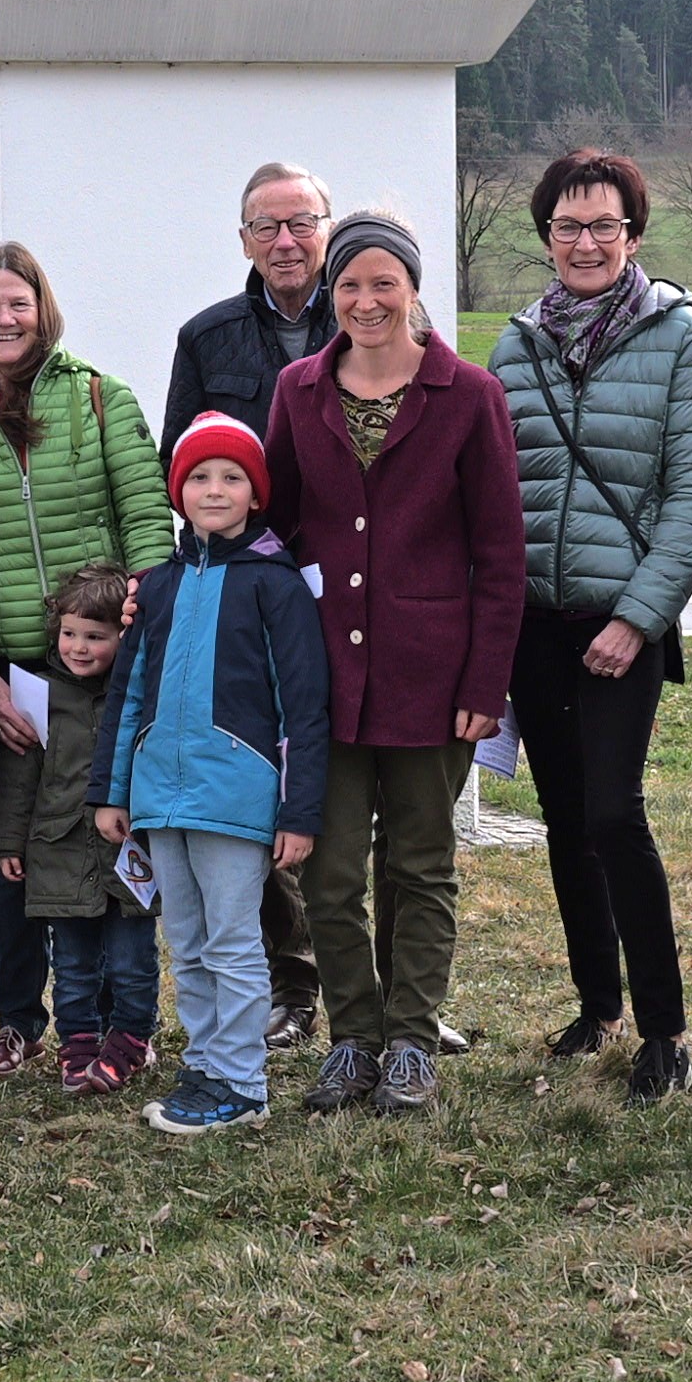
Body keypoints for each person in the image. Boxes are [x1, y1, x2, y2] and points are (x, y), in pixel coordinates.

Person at [260, 210, 523, 1119]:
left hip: (433, 676)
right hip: (325, 679)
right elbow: (279, 530)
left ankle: (412, 1038)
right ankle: (353, 1038)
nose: (366, 302)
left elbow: (500, 553)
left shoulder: (470, 395)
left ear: (413, 290)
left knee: (420, 863)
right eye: (349, 286)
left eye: (384, 283)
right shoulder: (298, 389)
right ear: (330, 295)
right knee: (327, 873)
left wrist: (485, 682)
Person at [490, 147, 692, 1096]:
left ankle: (666, 1032)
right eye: (567, 227)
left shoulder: (680, 338)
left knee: (614, 814)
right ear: (546, 236)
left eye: (605, 226)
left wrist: (639, 616)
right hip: (533, 622)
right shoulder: (514, 345)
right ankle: (599, 1003)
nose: (586, 243)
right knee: (560, 821)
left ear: (633, 234)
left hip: (620, 618)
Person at [0, 242, 174, 1080]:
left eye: (17, 304)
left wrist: (136, 639)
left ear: (43, 309)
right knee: (15, 851)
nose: (4, 319)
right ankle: (18, 1021)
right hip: (17, 668)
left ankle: (124, 1019)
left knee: (112, 834)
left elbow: (144, 519)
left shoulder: (100, 397)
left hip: (99, 661)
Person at [99, 411, 330, 1139]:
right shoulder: (159, 587)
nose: (215, 488)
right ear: (178, 490)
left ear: (256, 494)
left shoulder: (274, 584)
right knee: (189, 940)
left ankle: (241, 1080)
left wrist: (299, 811)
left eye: (232, 476)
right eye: (199, 476)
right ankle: (204, 1062)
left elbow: (303, 704)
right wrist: (114, 792)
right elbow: (128, 693)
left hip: (236, 797)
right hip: (161, 798)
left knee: (233, 941)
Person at [164, 162, 340, 1050]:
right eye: (266, 228)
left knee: (352, 794)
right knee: (258, 783)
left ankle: (376, 988)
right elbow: (182, 460)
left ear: (327, 227)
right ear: (243, 240)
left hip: (348, 584)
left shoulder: (375, 319)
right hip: (250, 590)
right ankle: (291, 982)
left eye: (301, 224)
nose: (285, 242)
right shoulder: (208, 338)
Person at [0, 564, 161, 1093]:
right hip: (58, 853)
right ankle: (79, 1042)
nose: (79, 647)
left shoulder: (137, 695)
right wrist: (7, 841)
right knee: (73, 962)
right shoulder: (37, 695)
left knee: (132, 960)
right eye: (69, 634)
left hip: (128, 854)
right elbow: (20, 779)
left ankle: (131, 1037)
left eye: (96, 636)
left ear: (121, 637)